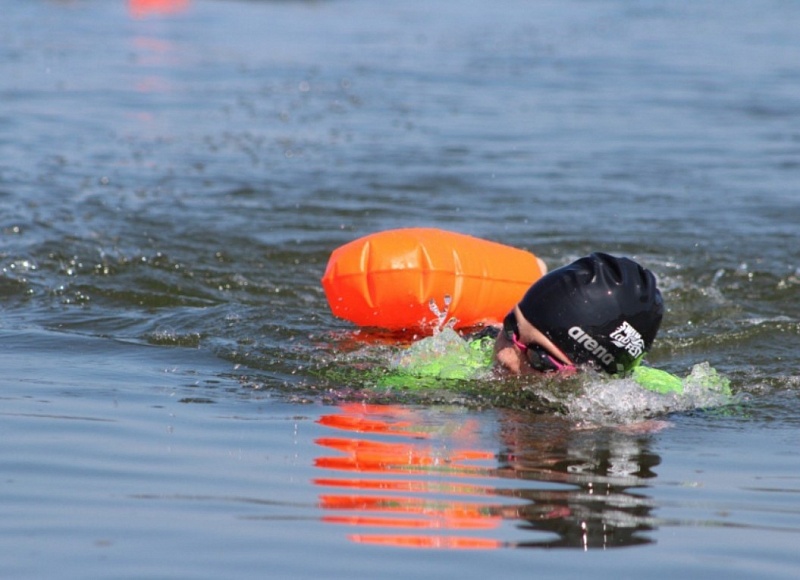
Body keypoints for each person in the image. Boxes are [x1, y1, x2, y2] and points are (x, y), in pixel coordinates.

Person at [492, 252, 664, 376]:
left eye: (539, 359)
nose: (504, 357)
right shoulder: (472, 351)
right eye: (510, 326)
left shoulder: (661, 404)